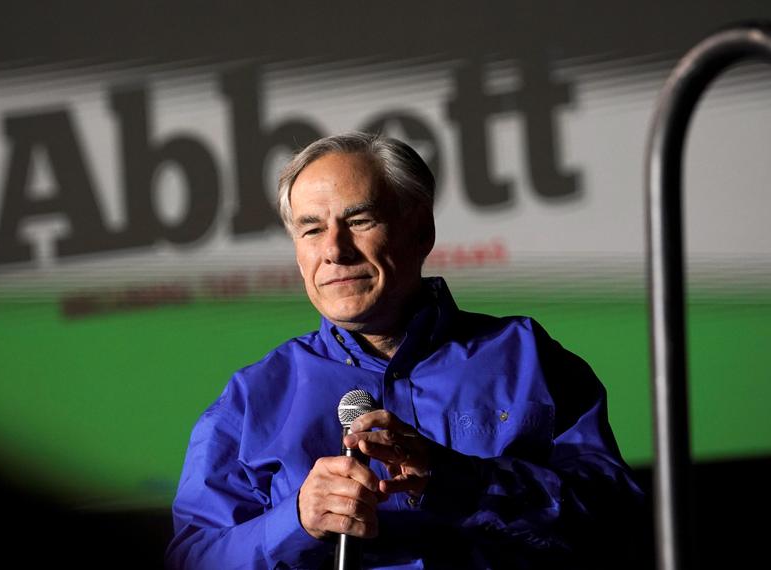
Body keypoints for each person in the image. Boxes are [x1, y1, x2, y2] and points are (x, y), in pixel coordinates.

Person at [166, 132, 647, 569]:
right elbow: (191, 559)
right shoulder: (250, 399)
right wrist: (295, 522)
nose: (335, 250)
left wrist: (460, 480)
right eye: (312, 230)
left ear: (421, 232)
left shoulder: (525, 356)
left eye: (359, 220)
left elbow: (618, 518)